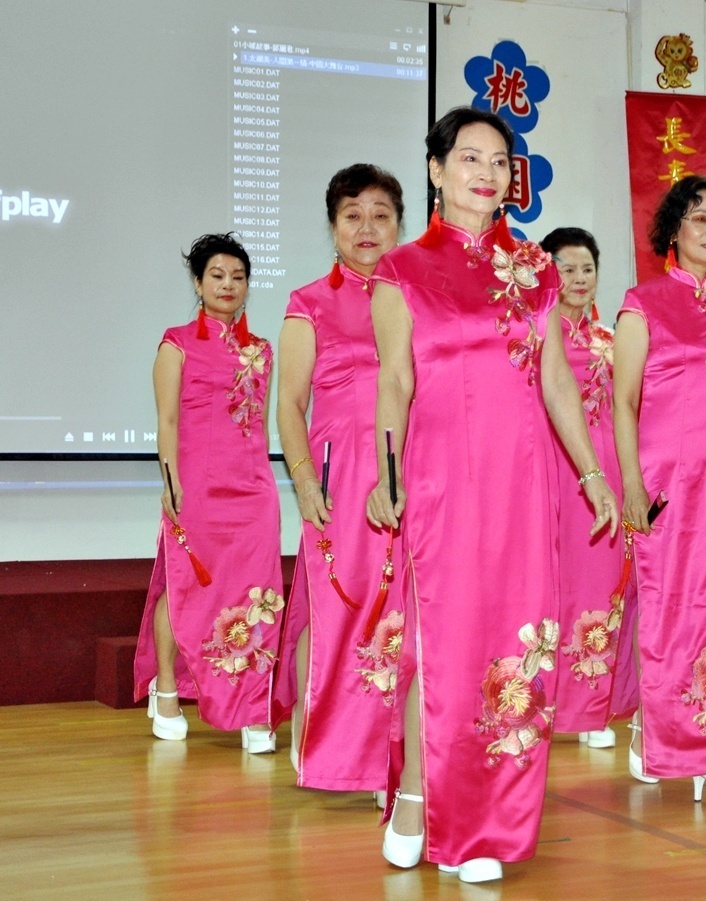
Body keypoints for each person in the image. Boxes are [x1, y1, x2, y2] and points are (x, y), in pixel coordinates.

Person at [366, 107, 619, 884]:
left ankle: (487, 823)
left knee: (517, 645)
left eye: (499, 160)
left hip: (522, 479)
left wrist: (591, 471)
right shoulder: (402, 270)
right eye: (468, 157)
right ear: (437, 171)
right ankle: (417, 794)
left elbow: (556, 381)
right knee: (445, 642)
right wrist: (386, 474)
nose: (486, 170)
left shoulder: (537, 270)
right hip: (442, 476)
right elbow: (397, 380)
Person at [612, 175, 706, 809]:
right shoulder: (642, 301)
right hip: (669, 482)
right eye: (698, 217)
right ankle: (668, 734)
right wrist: (629, 484)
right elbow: (623, 402)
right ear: (673, 228)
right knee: (674, 610)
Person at [274, 164, 405, 797]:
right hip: (338, 483)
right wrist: (304, 482)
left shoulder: (416, 296)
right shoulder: (309, 302)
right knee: (337, 611)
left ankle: (393, 758)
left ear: (400, 225)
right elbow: (289, 405)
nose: (367, 227)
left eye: (381, 214)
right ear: (332, 227)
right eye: (353, 214)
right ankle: (324, 746)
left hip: (408, 479)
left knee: (403, 616)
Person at [133, 233, 282, 754]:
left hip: (252, 493)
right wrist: (171, 484)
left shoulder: (261, 350)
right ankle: (167, 689)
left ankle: (252, 707)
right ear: (198, 282)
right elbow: (167, 421)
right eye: (217, 275)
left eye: (238, 277)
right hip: (195, 488)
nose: (228, 285)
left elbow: (259, 428)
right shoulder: (175, 343)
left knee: (257, 597)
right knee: (182, 586)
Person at [540, 226, 633, 750]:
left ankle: (587, 707)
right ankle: (542, 697)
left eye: (587, 269)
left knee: (597, 589)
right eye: (567, 268)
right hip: (550, 469)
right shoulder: (535, 335)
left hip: (601, 472)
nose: (578, 278)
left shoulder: (610, 341)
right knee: (547, 586)